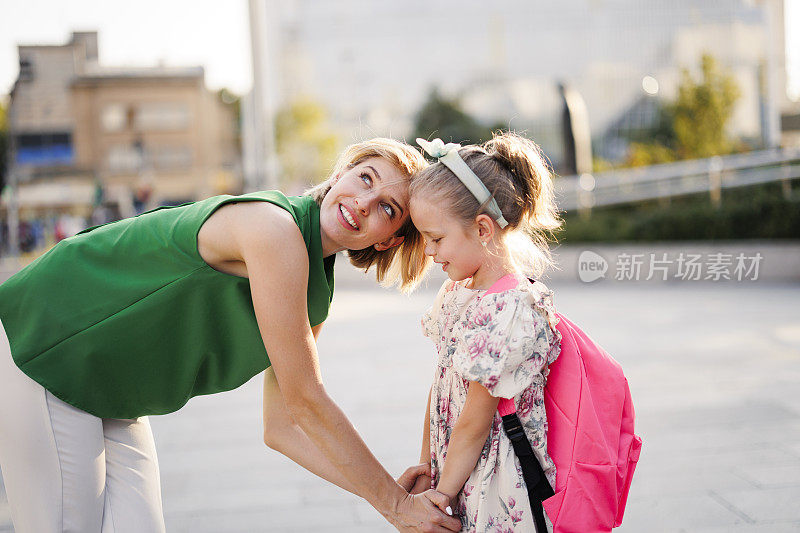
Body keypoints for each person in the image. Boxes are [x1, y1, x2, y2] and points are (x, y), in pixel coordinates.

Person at [0, 138, 462, 533]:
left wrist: (383, 492)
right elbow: (306, 397)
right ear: (341, 173)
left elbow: (282, 427)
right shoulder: (273, 228)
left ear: (390, 240)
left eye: (387, 207)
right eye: (365, 177)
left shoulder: (314, 290)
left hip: (111, 388)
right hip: (50, 346)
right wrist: (394, 505)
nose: (364, 201)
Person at [407, 133, 563, 532]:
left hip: (492, 481)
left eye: (436, 238)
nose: (428, 251)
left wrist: (441, 496)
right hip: (456, 467)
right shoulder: (460, 291)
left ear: (482, 229)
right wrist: (429, 468)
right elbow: (440, 386)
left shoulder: (509, 307)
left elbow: (476, 423)